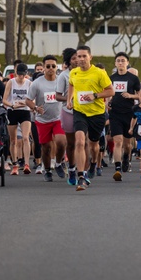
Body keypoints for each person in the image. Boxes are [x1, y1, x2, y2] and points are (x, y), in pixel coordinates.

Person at [67, 45, 113, 190]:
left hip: (97, 114)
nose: (80, 59)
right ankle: (81, 176)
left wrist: (95, 95)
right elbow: (71, 85)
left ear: (90, 57)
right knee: (80, 141)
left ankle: (93, 163)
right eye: (78, 56)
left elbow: (111, 91)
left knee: (93, 145)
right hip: (80, 112)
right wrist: (70, 100)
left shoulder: (99, 73)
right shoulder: (73, 73)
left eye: (84, 56)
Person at [26, 55, 66, 182]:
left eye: (53, 66)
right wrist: (36, 107)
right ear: (43, 68)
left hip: (59, 118)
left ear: (57, 67)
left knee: (61, 141)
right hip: (42, 120)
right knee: (46, 147)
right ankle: (47, 169)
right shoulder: (37, 83)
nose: (50, 68)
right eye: (48, 66)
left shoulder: (61, 80)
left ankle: (59, 163)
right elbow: (28, 100)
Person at [108, 52, 141, 181]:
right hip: (115, 113)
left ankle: (126, 159)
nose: (121, 63)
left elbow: (140, 95)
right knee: (118, 141)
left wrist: (131, 96)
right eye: (118, 60)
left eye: (123, 60)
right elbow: (107, 94)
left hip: (129, 113)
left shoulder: (133, 78)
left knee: (127, 144)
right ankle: (117, 169)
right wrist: (108, 104)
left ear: (127, 63)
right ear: (115, 63)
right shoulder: (111, 78)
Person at [3, 63, 34, 175]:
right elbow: (4, 100)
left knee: (26, 137)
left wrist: (29, 104)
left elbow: (33, 100)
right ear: (16, 73)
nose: (21, 77)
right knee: (13, 140)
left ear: (26, 74)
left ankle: (26, 164)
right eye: (19, 74)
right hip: (13, 111)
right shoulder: (11, 82)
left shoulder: (29, 83)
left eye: (23, 75)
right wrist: (11, 105)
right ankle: (15, 164)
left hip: (25, 111)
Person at [54, 48, 78, 184]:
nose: (76, 60)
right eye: (73, 58)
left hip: (84, 112)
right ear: (68, 61)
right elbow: (58, 96)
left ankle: (82, 172)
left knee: (83, 142)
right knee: (70, 144)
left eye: (78, 58)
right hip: (68, 112)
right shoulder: (64, 75)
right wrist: (69, 100)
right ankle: (71, 168)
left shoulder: (85, 74)